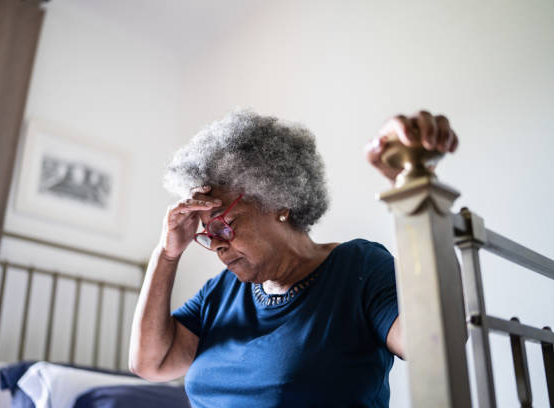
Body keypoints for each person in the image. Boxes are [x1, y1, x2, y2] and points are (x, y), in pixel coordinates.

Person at [129, 110, 458, 407]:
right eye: (206, 233)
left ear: (278, 201)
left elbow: (433, 342)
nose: (216, 245)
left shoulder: (360, 268)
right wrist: (167, 254)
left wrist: (413, 185)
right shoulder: (220, 293)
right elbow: (151, 364)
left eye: (222, 224)